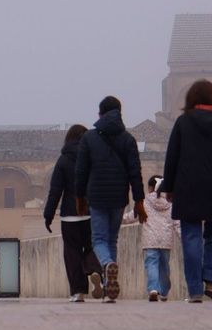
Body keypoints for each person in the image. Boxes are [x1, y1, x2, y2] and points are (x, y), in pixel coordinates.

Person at [160, 78, 212, 303]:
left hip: (188, 185)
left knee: (191, 236)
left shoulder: (183, 122)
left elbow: (172, 157)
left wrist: (168, 187)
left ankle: (195, 290)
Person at [73, 95, 145, 302]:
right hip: (119, 197)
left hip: (96, 196)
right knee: (112, 239)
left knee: (99, 240)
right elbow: (135, 173)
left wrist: (80, 197)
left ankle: (106, 265)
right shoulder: (128, 140)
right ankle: (107, 288)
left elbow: (81, 171)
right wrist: (139, 201)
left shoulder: (89, 138)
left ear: (100, 114)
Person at [43, 124, 102, 302]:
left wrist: (48, 215)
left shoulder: (62, 160)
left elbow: (55, 191)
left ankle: (78, 292)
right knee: (91, 246)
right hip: (90, 212)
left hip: (69, 214)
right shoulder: (92, 158)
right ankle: (94, 271)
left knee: (72, 251)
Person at [125, 175, 176, 301]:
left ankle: (153, 289)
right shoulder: (170, 203)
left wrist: (119, 220)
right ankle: (164, 292)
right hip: (166, 241)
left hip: (150, 240)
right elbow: (177, 222)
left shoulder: (145, 202)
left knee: (151, 265)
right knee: (164, 267)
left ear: (150, 188)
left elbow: (133, 216)